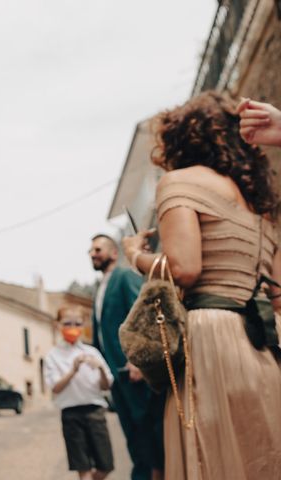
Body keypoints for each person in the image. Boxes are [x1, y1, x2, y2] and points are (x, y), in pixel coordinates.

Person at [123, 91, 281, 478]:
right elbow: (276, 294)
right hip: (260, 344)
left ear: (180, 138)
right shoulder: (258, 204)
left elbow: (185, 268)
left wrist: (135, 256)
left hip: (208, 338)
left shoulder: (179, 182)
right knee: (260, 453)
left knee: (209, 457)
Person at [89, 234, 164, 480]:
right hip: (114, 374)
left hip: (132, 369)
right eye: (90, 251)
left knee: (146, 430)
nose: (92, 254)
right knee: (131, 432)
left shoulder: (124, 277)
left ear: (113, 253)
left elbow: (140, 313)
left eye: (98, 249)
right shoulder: (99, 288)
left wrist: (137, 360)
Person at [44, 306, 114, 480]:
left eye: (77, 323)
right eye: (67, 323)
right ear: (57, 325)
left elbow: (106, 386)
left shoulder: (92, 352)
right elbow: (55, 388)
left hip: (96, 412)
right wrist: (73, 370)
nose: (72, 327)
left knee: (105, 466)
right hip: (71, 415)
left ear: (84, 326)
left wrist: (101, 370)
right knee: (83, 469)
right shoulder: (53, 355)